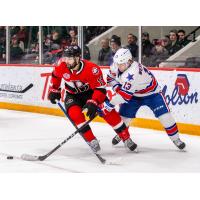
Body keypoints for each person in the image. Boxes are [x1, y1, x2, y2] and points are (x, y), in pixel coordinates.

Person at [48, 45, 137, 152]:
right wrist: (54, 89)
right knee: (75, 114)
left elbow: (100, 89)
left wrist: (93, 102)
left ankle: (126, 138)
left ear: (78, 58)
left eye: (70, 59)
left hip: (92, 93)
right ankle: (91, 140)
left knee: (108, 112)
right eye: (65, 58)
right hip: (73, 95)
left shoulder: (92, 69)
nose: (66, 61)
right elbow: (55, 76)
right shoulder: (61, 65)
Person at [105, 48, 186, 150]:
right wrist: (117, 88)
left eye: (121, 64)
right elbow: (110, 78)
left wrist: (109, 104)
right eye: (117, 64)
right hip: (133, 95)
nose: (118, 66)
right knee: (123, 120)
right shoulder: (116, 66)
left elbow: (124, 97)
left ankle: (176, 139)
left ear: (129, 61)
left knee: (166, 117)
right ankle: (122, 135)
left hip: (152, 94)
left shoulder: (134, 73)